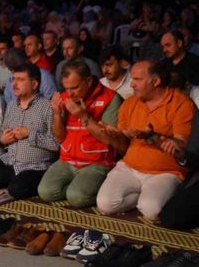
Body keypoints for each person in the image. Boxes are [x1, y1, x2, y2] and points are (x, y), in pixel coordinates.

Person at [96, 60, 195, 221]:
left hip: (165, 172)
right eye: (132, 79)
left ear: (156, 81)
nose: (132, 84)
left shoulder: (182, 104)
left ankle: (153, 197)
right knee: (105, 204)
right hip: (129, 167)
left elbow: (184, 146)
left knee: (152, 211)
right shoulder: (129, 102)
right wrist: (114, 134)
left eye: (137, 79)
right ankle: (143, 197)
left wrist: (153, 137)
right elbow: (123, 138)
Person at [37, 59, 122, 208]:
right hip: (67, 160)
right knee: (45, 192)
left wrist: (84, 117)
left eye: (75, 87)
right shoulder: (64, 97)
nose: (70, 93)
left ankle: (94, 190)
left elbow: (110, 140)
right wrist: (57, 114)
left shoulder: (110, 98)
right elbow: (59, 137)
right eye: (66, 88)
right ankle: (77, 188)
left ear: (88, 81)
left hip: (97, 163)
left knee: (76, 198)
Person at [0, 63, 60, 198]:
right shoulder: (12, 106)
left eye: (21, 79)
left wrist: (30, 134)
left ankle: (22, 183)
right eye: (13, 79)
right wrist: (2, 140)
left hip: (36, 166)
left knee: (16, 190)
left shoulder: (48, 107)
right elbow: (1, 134)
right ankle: (16, 181)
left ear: (34, 84)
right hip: (10, 161)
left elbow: (56, 144)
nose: (14, 84)